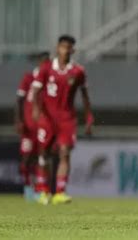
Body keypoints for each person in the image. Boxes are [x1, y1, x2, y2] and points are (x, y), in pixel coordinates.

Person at [31, 35, 94, 205]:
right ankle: (43, 190)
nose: (65, 50)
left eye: (68, 47)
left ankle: (60, 191)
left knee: (64, 153)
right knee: (44, 155)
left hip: (67, 119)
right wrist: (36, 109)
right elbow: (35, 91)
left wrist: (89, 117)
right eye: (63, 47)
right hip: (47, 117)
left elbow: (85, 95)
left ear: (73, 50)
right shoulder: (45, 68)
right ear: (57, 48)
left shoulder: (78, 71)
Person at [15, 52, 50, 200]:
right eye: (44, 62)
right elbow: (19, 100)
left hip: (44, 126)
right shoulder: (29, 78)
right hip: (29, 127)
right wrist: (18, 120)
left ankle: (40, 189)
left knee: (42, 158)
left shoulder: (50, 81)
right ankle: (28, 186)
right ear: (40, 63)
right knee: (27, 158)